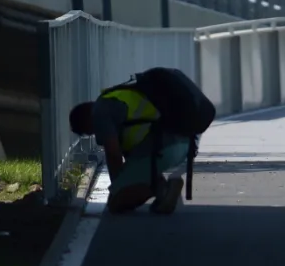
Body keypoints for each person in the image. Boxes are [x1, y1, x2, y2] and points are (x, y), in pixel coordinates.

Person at [67, 66, 216, 215]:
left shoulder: (100, 112)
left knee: (115, 204)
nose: (92, 134)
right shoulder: (118, 97)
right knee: (137, 167)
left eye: (86, 132)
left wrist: (117, 188)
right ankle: (161, 191)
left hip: (164, 147)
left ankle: (163, 189)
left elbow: (113, 155)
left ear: (86, 119)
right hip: (185, 144)